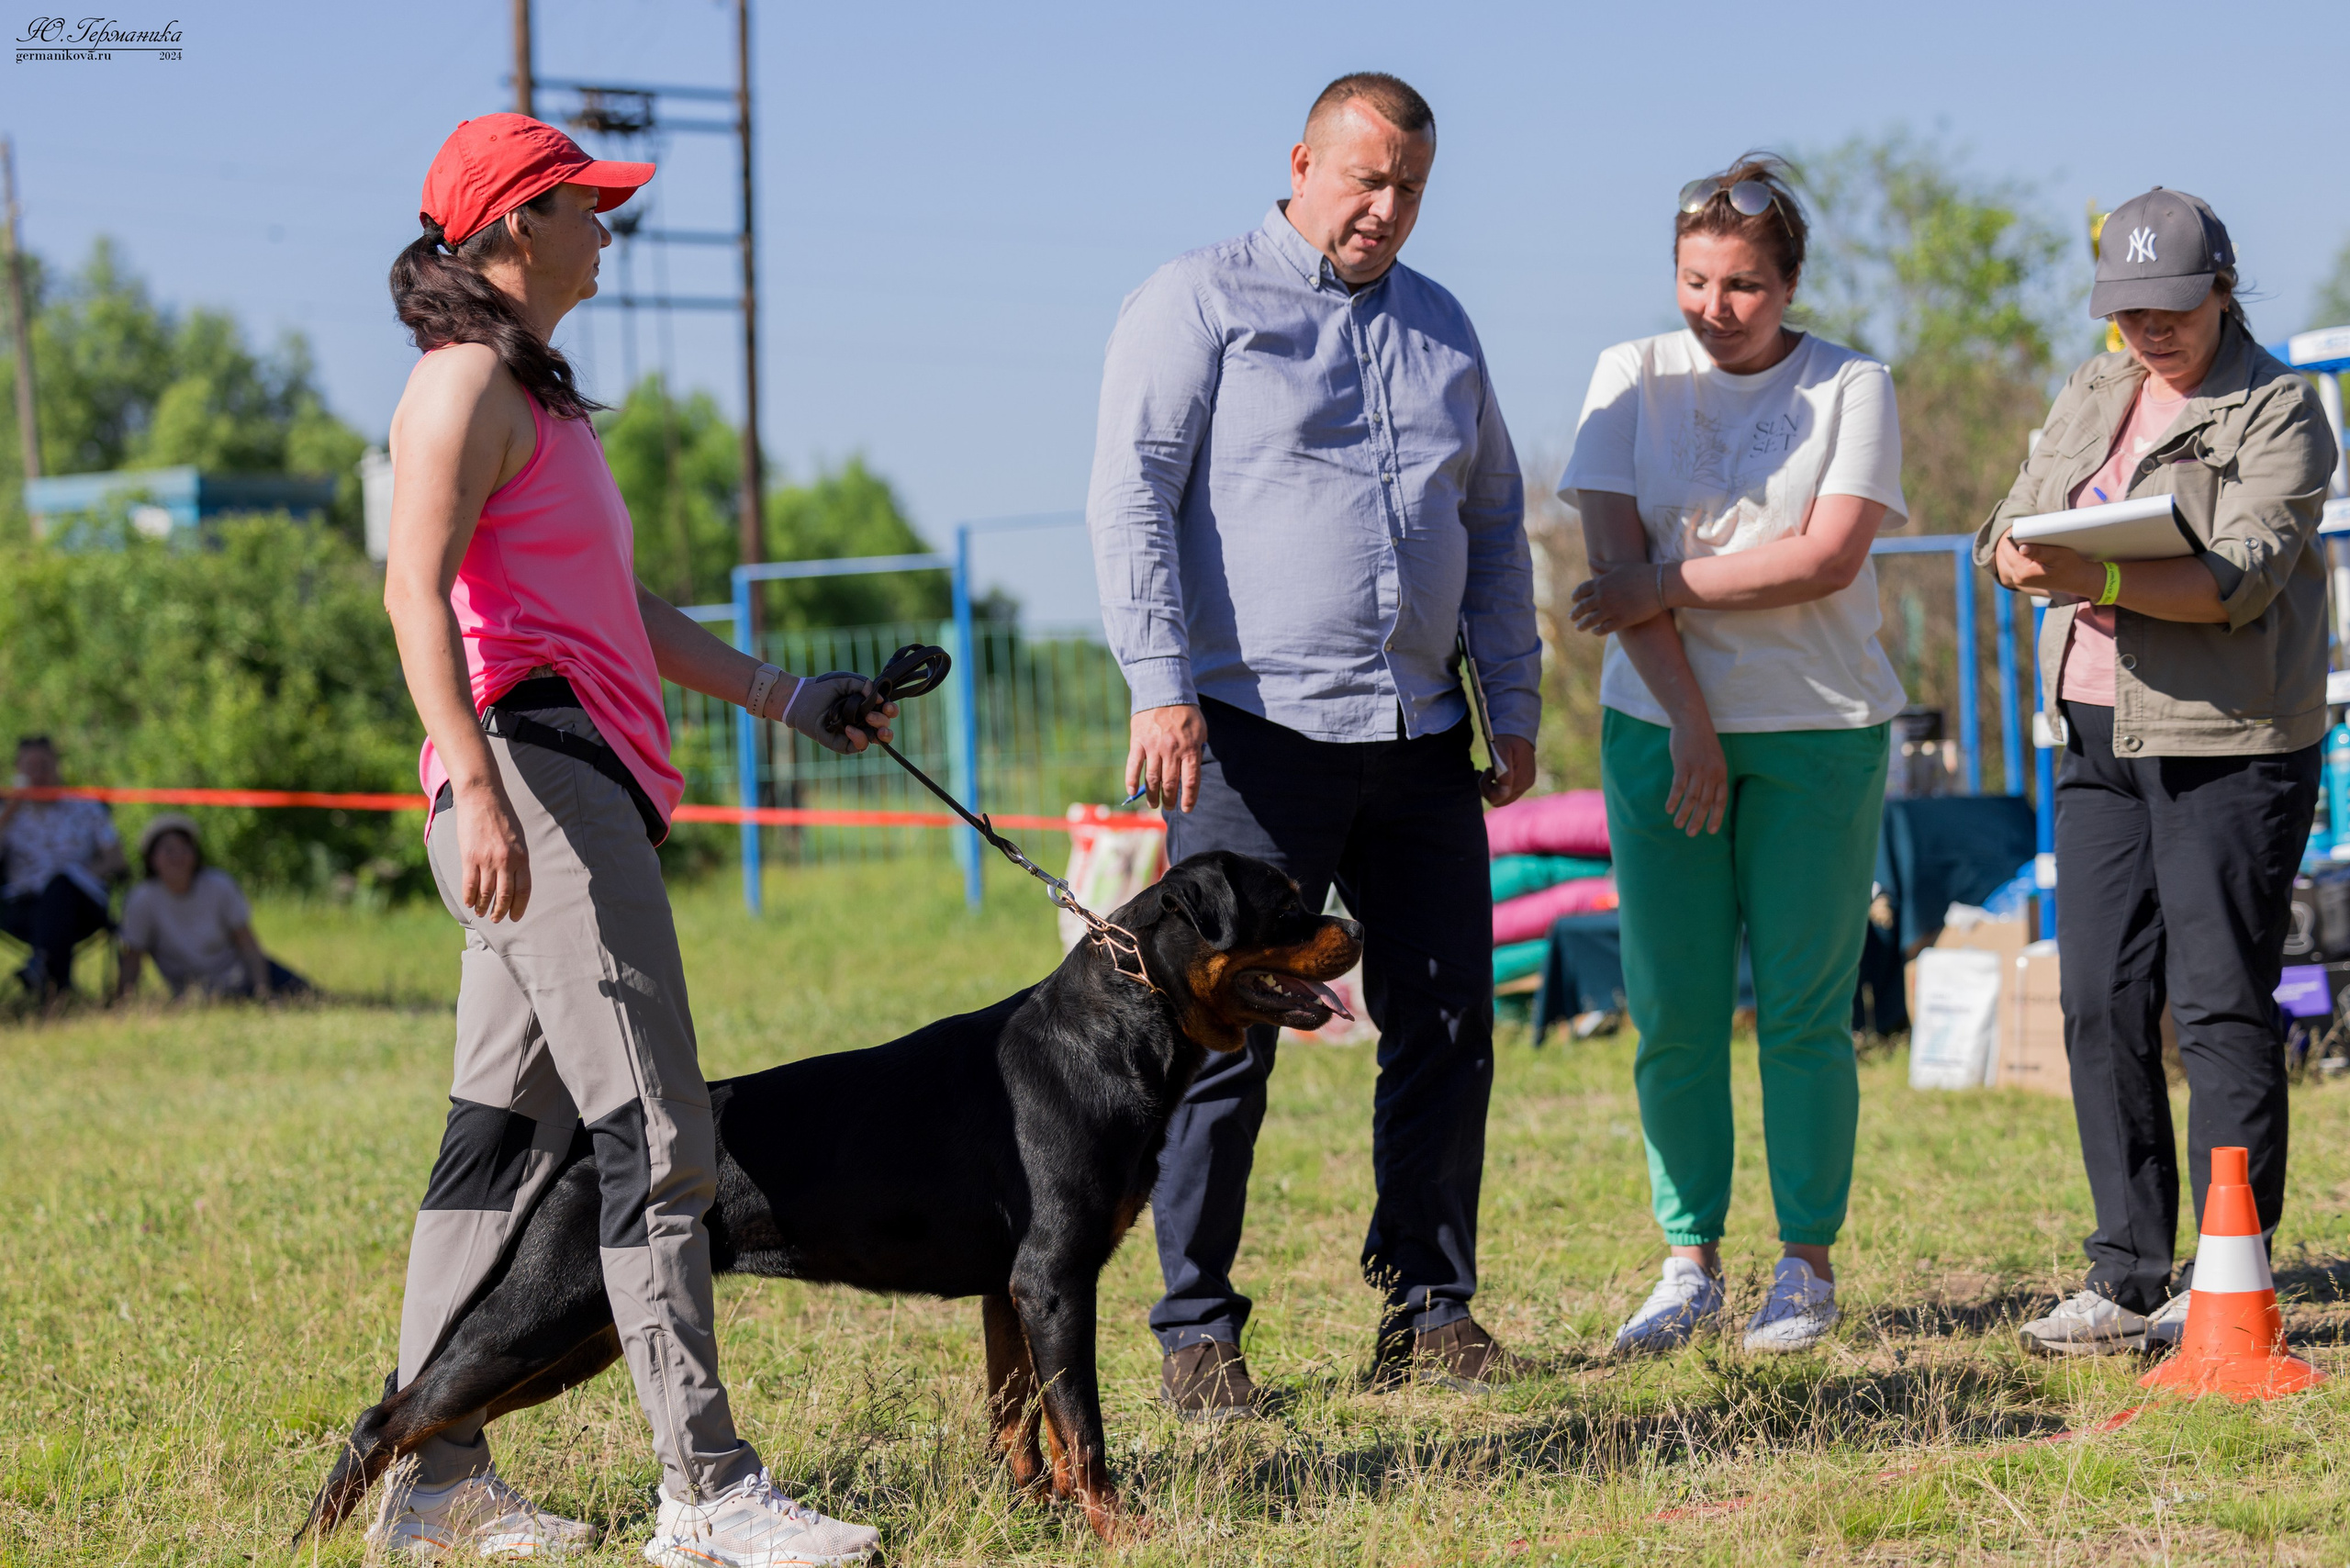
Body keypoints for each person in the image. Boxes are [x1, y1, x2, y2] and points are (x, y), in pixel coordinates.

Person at [375, 114, 890, 1565]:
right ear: (515, 227)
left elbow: (623, 611)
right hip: (534, 785)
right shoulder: (462, 384)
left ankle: (430, 1484)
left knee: (497, 1143)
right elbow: (414, 597)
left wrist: (793, 696)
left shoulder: (536, 398)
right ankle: (706, 1495)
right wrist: (474, 790)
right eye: (586, 208)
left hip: (556, 777)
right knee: (659, 1135)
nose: (608, 229)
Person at [1087, 72, 1542, 1417]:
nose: (1384, 208)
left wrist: (1510, 700)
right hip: (1248, 733)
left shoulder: (1445, 328)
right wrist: (1158, 682)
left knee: (1449, 1021)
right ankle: (1196, 1333)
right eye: (1363, 178)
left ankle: (1430, 1303)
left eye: (1408, 187)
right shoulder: (1197, 301)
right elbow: (1133, 495)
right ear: (1301, 162)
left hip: (1418, 735)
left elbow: (1499, 523)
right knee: (1221, 1036)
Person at [1980, 189, 2338, 1359]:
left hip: (2226, 746)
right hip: (2090, 738)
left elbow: (2239, 582)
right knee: (2098, 1003)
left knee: (2221, 1001)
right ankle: (2125, 1274)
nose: (2149, 328)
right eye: (2126, 309)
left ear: (2222, 289)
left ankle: (2228, 1270)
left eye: (2171, 305)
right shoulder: (2093, 388)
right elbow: (2006, 526)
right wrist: (2012, 553)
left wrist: (2098, 582)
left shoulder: (2281, 408)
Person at [1561, 155, 1908, 1355]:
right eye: (1696, 281)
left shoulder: (1853, 383)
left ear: (1791, 281)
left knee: (1807, 1012)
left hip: (1820, 727)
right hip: (1658, 732)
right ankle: (1689, 1261)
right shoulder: (1629, 375)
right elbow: (1611, 575)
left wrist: (1663, 579)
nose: (1716, 306)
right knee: (1674, 1007)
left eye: (1746, 286)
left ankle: (1805, 1268)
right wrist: (1691, 718)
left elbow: (1826, 557)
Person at [117, 815, 310, 1001]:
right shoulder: (142, 899)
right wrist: (122, 1002)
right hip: (195, 994)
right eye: (168, 850)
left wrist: (262, 989)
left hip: (242, 977)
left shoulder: (219, 885)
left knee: (313, 997)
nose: (178, 856)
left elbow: (247, 943)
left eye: (185, 848)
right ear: (151, 858)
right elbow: (133, 956)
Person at [0, 735, 126, 1002]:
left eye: (44, 764)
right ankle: (56, 984)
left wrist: (82, 875)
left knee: (60, 887)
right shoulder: (6, 812)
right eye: (30, 766)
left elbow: (116, 859)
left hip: (82, 902)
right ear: (17, 770)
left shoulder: (87, 805)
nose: (38, 772)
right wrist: (10, 809)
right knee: (52, 899)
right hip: (23, 906)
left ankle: (44, 972)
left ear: (57, 765)